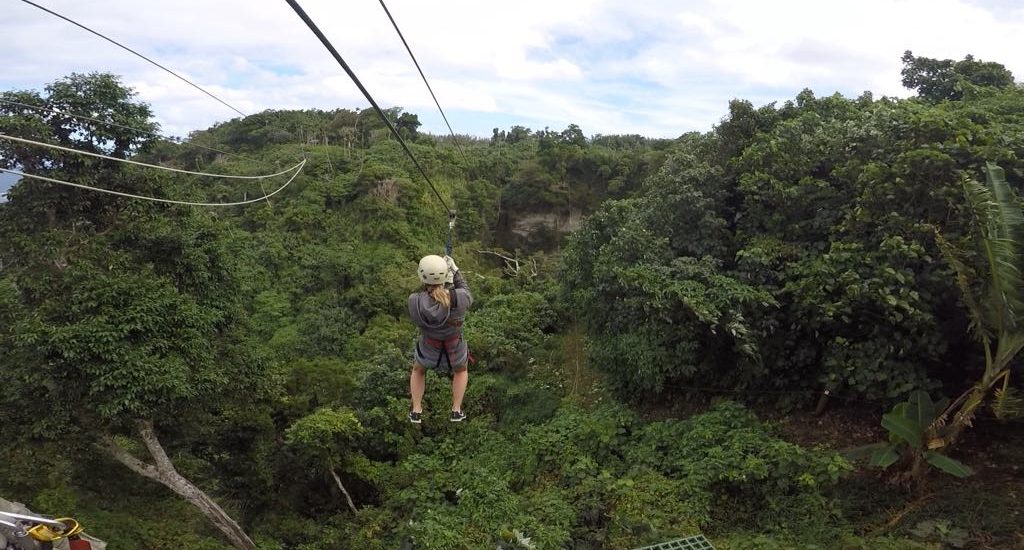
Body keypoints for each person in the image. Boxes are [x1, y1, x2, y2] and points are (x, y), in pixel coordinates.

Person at [407, 254, 472, 423]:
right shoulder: (458, 297)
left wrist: (440, 285)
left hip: (429, 348)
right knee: (461, 371)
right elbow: (466, 291)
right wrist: (454, 273)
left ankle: (416, 410)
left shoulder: (415, 301)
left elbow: (425, 300)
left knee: (418, 370)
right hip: (455, 349)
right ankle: (456, 410)